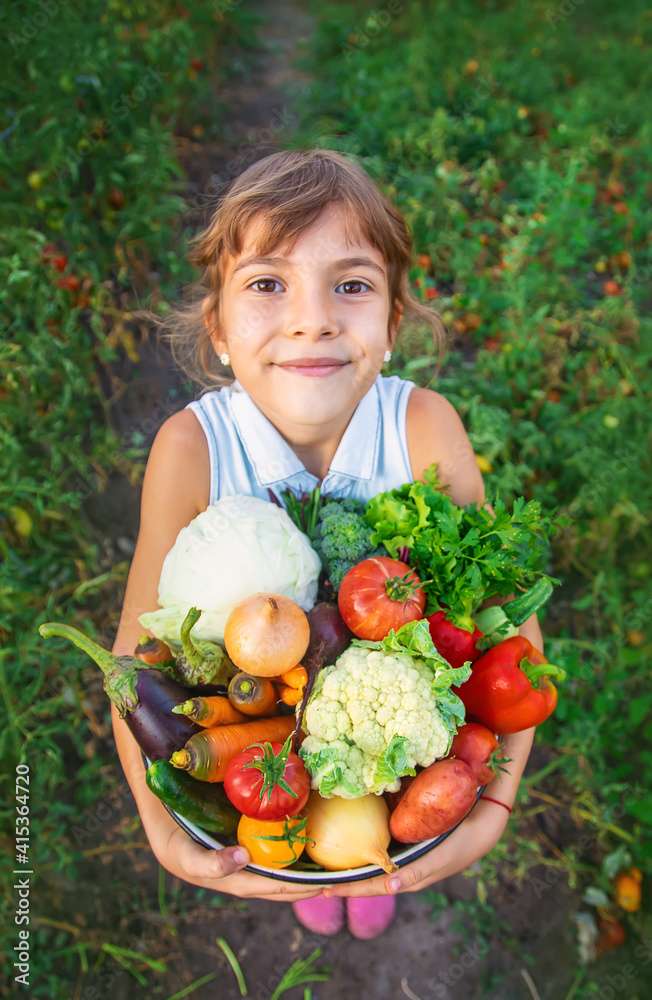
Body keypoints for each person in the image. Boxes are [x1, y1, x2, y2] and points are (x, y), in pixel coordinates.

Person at [111, 148, 543, 940]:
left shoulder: (421, 427)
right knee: (299, 847)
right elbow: (132, 667)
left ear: (393, 323)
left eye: (351, 285)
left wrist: (495, 810)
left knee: (370, 843)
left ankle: (362, 863)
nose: (313, 318)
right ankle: (319, 873)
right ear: (216, 329)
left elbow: (512, 637)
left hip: (396, 767)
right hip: (262, 753)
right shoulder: (190, 448)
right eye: (268, 284)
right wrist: (162, 831)